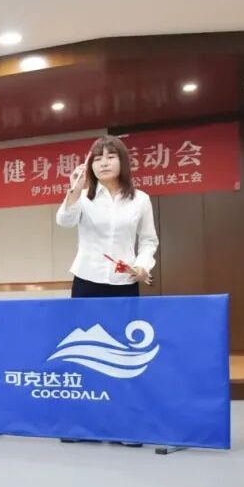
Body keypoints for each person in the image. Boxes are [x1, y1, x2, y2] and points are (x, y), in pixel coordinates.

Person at [55, 135, 159, 447]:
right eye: (97, 158)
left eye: (110, 156)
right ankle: (83, 425)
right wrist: (74, 189)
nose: (103, 162)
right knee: (84, 352)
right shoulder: (84, 196)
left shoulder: (140, 199)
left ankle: (124, 425)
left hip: (124, 283)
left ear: (122, 161)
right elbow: (64, 221)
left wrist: (142, 265)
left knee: (124, 355)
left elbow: (149, 240)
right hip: (87, 280)